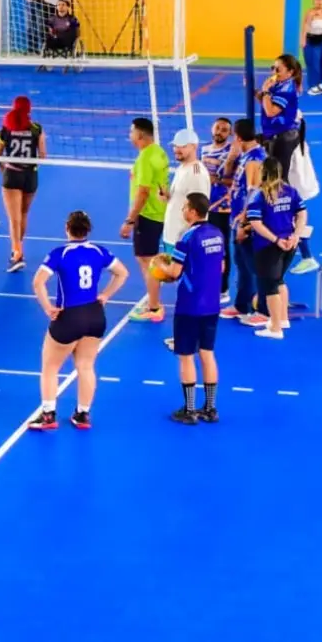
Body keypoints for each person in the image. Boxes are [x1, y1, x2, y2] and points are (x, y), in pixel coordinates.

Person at [29, 211, 129, 430]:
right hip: (94, 315)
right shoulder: (99, 251)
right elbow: (122, 273)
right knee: (86, 366)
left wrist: (48, 307)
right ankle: (82, 414)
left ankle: (48, 415)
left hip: (69, 317)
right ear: (88, 230)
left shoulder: (59, 253)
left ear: (67, 228)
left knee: (50, 366)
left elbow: (38, 282)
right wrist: (106, 295)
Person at [150, 192, 225, 423]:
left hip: (190, 305)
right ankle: (210, 408)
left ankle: (190, 410)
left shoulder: (187, 237)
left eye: (185, 207)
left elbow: (174, 272)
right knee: (207, 353)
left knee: (186, 356)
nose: (182, 210)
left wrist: (160, 264)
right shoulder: (217, 234)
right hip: (212, 303)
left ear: (192, 211)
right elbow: (221, 267)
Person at [245, 156, 306, 340]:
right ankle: (283, 319)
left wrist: (275, 240)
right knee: (279, 281)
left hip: (268, 246)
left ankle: (275, 327)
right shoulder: (290, 191)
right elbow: (302, 213)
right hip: (289, 245)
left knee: (270, 287)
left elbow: (256, 223)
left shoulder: (259, 195)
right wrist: (296, 235)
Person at [221, 118, 270, 326]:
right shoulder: (246, 155)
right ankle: (242, 305)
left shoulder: (255, 159)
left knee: (255, 267)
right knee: (242, 264)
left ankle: (264, 311)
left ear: (238, 137)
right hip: (236, 219)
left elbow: (254, 193)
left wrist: (244, 224)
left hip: (247, 222)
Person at [120, 117, 169, 322]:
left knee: (147, 261)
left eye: (131, 132)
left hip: (147, 215)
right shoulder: (159, 152)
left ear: (140, 135)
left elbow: (143, 192)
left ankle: (154, 307)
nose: (129, 135)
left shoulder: (145, 159)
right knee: (150, 259)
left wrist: (130, 220)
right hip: (159, 212)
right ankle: (154, 300)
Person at [0, 96, 45, 272]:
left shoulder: (6, 128)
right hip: (30, 176)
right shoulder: (36, 129)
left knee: (14, 218)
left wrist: (4, 170)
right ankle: (18, 250)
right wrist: (31, 167)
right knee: (23, 214)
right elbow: (43, 156)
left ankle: (17, 254)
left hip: (12, 174)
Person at [162, 128, 213, 259]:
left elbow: (199, 208)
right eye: (175, 146)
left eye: (182, 146)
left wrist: (190, 239)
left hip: (183, 240)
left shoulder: (196, 173)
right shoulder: (182, 167)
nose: (177, 149)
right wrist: (168, 197)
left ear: (194, 146)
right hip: (172, 236)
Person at [200, 117, 235, 303]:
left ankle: (223, 289)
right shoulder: (204, 150)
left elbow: (237, 180)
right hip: (205, 206)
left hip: (222, 208)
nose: (219, 132)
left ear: (230, 133)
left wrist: (219, 180)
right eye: (217, 128)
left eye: (224, 130)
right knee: (206, 247)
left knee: (221, 249)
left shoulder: (231, 152)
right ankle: (210, 284)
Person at [257, 53, 302, 177]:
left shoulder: (286, 89)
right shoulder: (278, 84)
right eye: (273, 68)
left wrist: (265, 91)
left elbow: (270, 112)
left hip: (282, 137)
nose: (274, 72)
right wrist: (256, 91)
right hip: (275, 133)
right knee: (272, 173)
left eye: (278, 69)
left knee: (278, 175)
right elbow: (266, 103)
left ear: (290, 72)